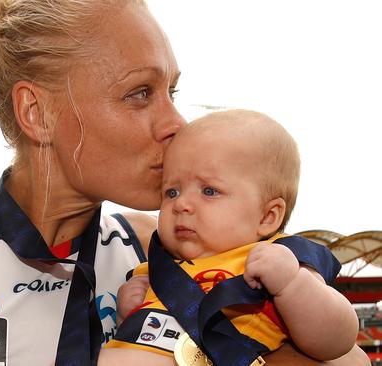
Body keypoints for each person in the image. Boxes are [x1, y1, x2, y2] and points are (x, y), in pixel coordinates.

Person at [0, 0, 369, 364]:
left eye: (172, 91)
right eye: (140, 93)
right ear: (38, 115)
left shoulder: (168, 250)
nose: (174, 123)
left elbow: (344, 359)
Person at [102, 110, 360, 364]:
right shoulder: (153, 271)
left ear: (267, 217)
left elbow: (339, 339)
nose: (181, 204)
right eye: (171, 192)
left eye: (209, 191)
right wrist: (128, 312)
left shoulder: (280, 258)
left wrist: (292, 284)